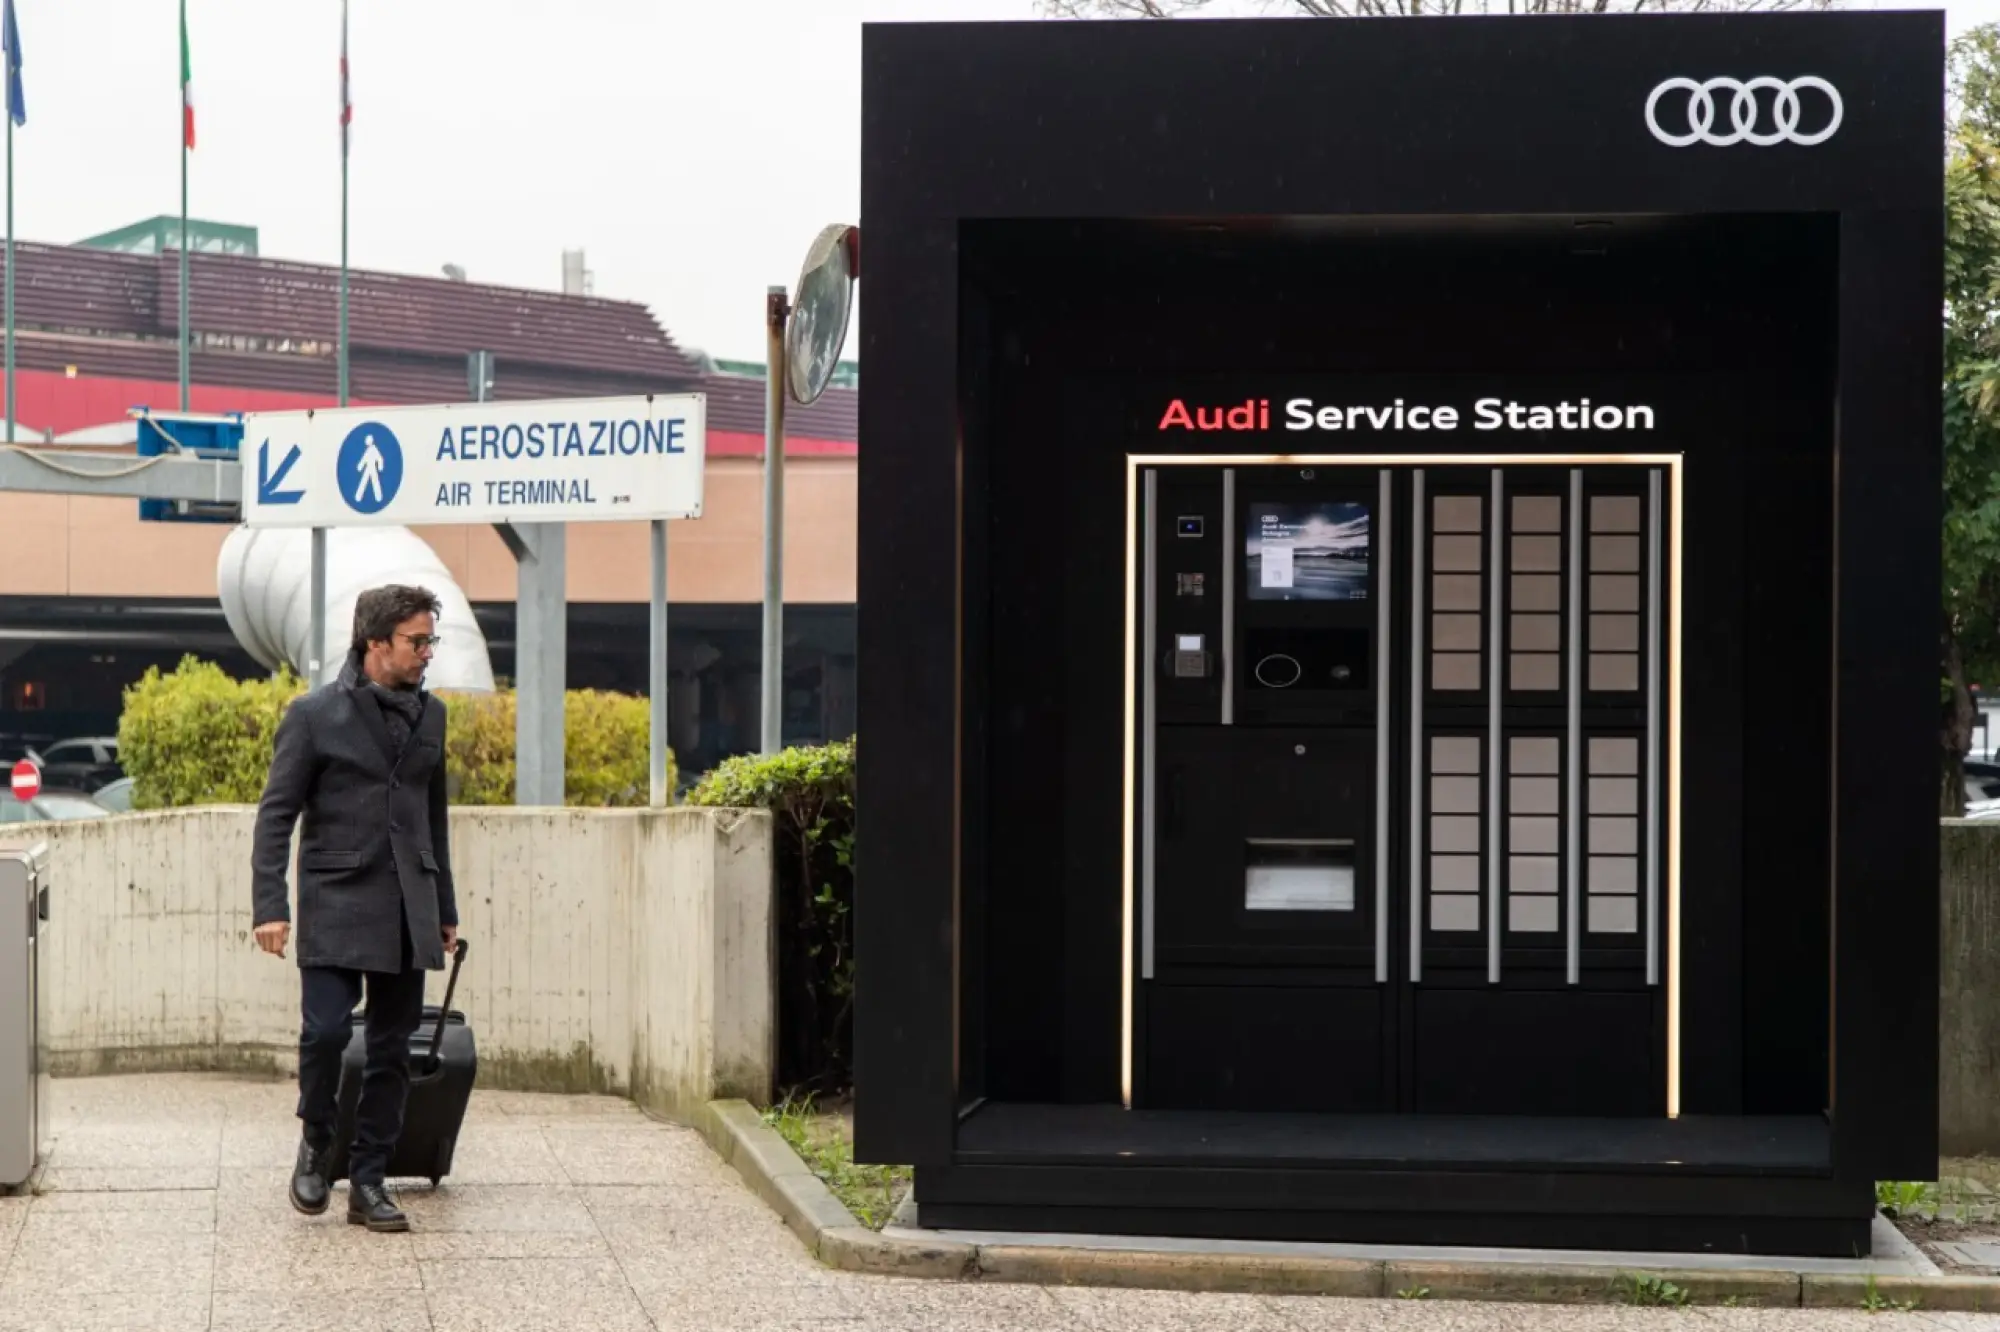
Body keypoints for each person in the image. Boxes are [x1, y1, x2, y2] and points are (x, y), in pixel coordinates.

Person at [249, 583, 460, 1233]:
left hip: (408, 904)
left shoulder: (433, 716)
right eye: (416, 641)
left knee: (392, 1050)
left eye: (431, 641)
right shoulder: (314, 715)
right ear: (375, 643)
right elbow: (276, 814)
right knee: (328, 1032)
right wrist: (270, 905)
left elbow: (433, 818)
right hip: (336, 896)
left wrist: (444, 908)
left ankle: (369, 1179)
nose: (427, 653)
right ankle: (317, 1137)